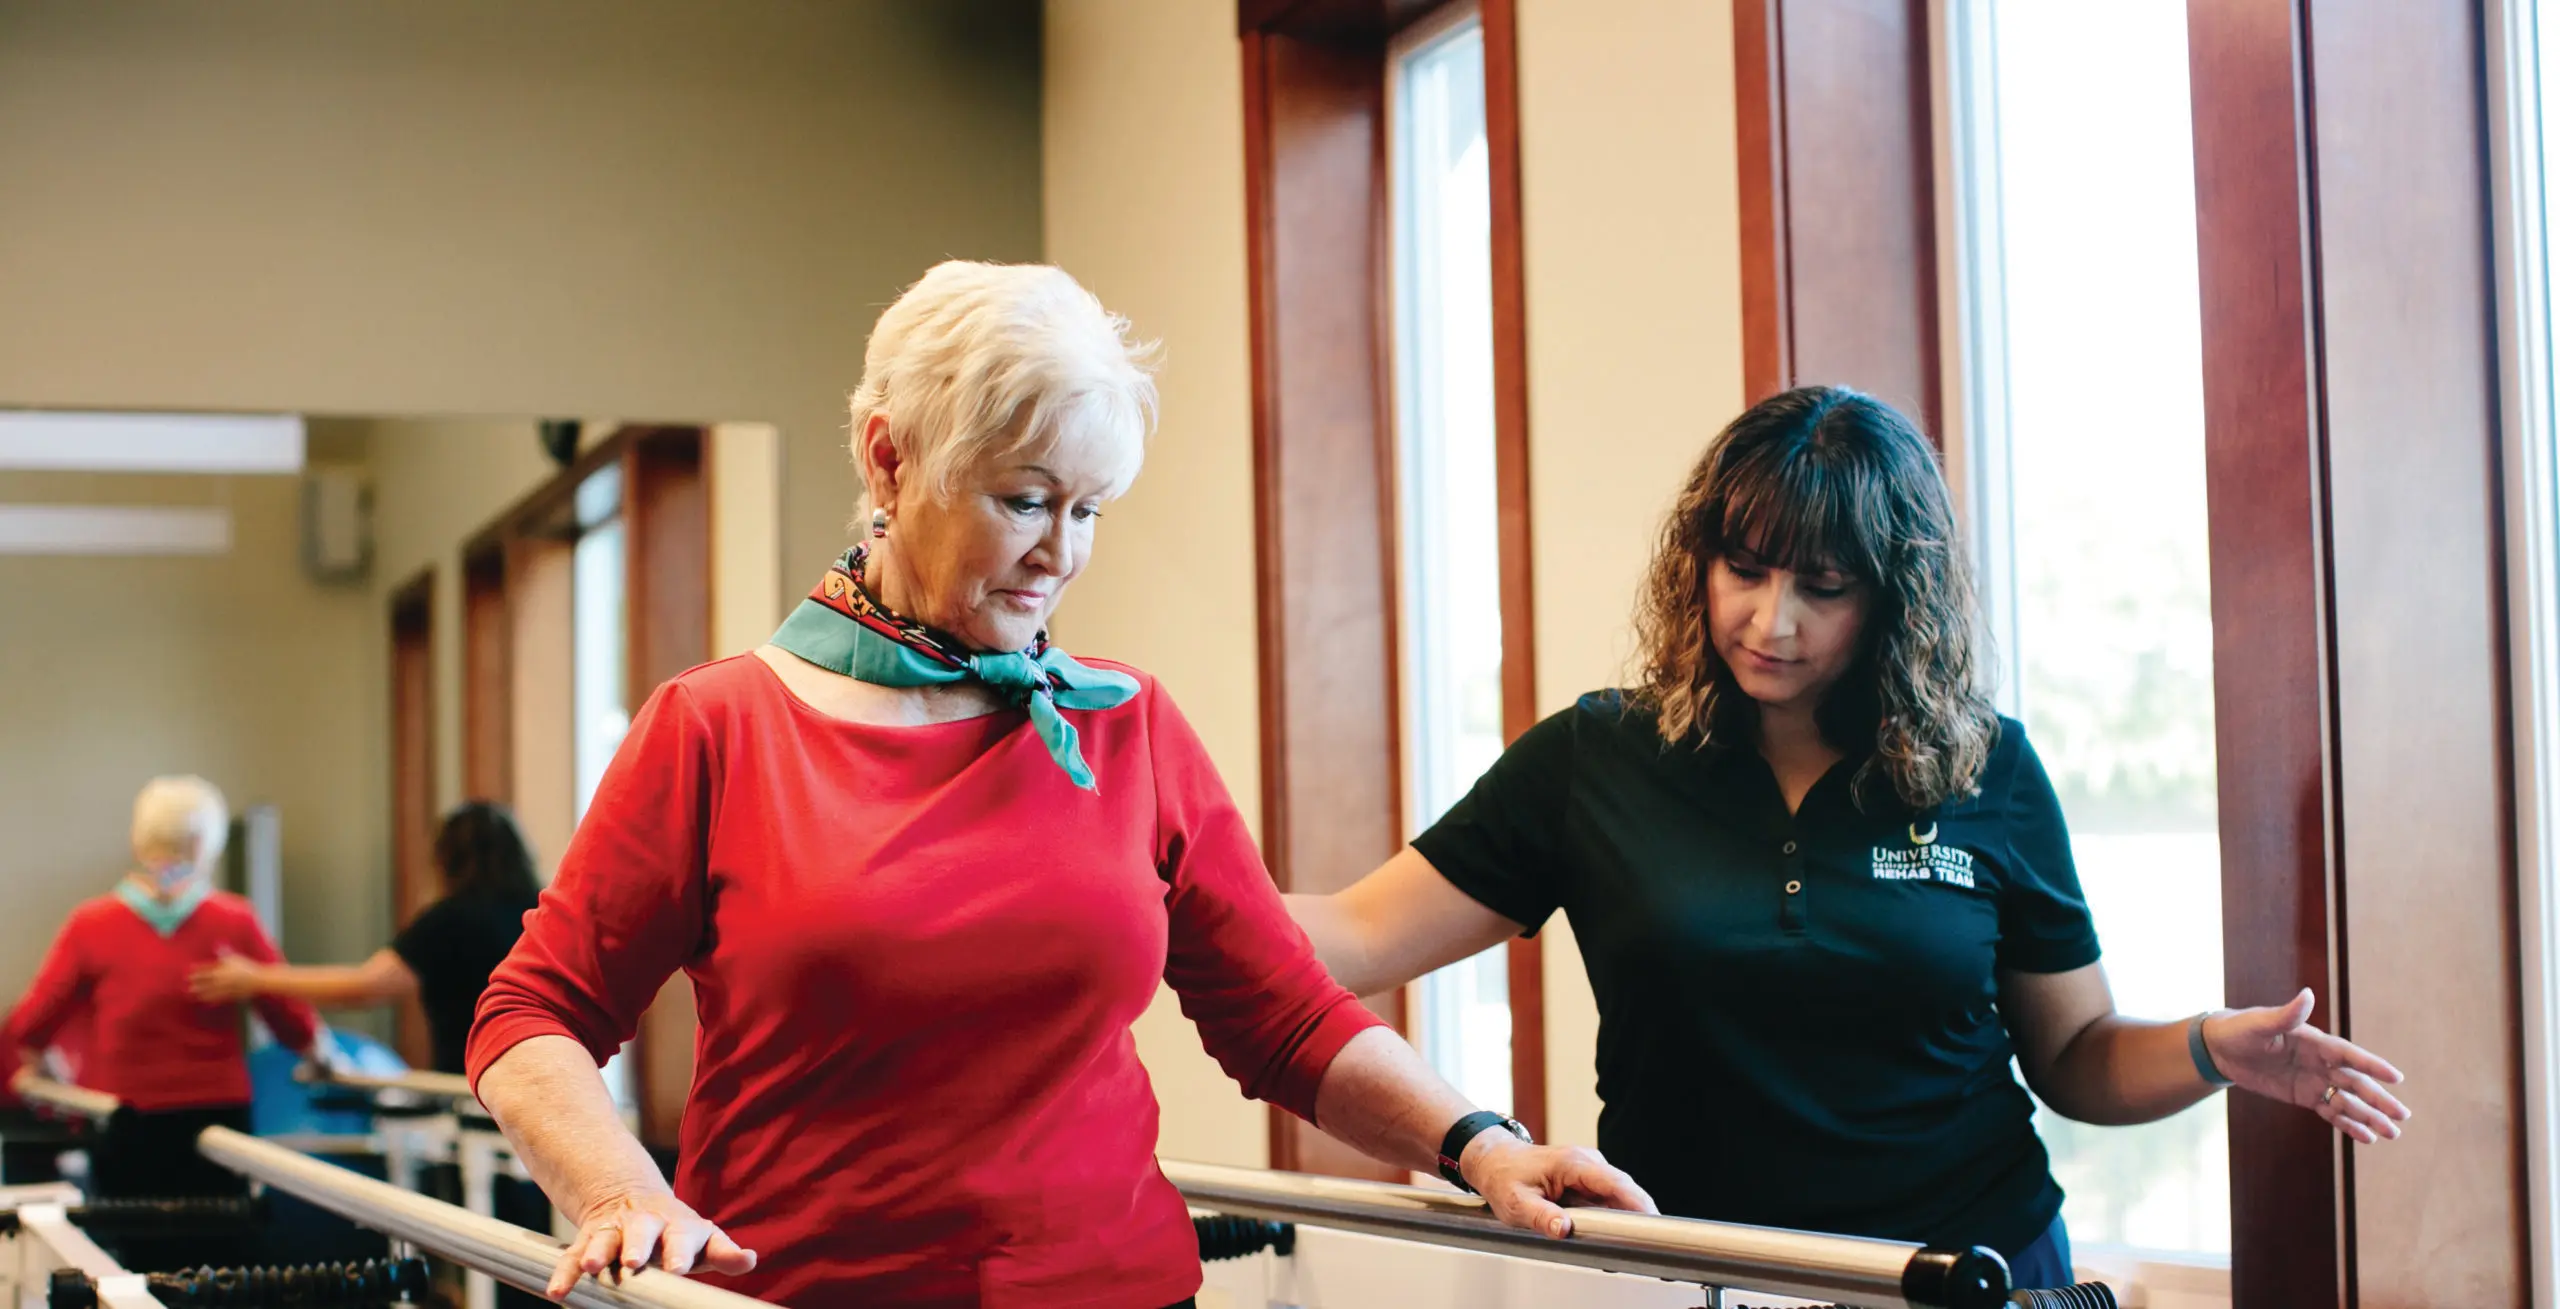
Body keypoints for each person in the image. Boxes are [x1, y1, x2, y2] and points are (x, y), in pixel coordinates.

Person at [465, 260, 1654, 1309]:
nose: (1061, 552)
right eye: (1025, 499)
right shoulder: (720, 728)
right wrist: (622, 1193)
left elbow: (1284, 1014)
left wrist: (1478, 1142)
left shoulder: (1124, 726)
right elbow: (531, 1017)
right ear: (891, 457)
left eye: (1087, 510)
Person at [1283, 386, 2414, 1290]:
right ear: (1700, 563)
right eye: (1746, 570)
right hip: (1701, 1273)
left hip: (1964, 1268)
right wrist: (1141, 869)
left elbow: (2074, 1056)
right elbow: (1346, 933)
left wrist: (2213, 1047)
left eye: (1821, 587)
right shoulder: (1597, 758)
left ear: (1891, 601)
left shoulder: (1986, 766)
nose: (1771, 621)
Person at [4, 775, 330, 1202]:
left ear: (139, 842)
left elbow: (30, 1025)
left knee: (137, 1254)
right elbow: (289, 1017)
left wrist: (44, 1071)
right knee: (216, 1256)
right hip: (215, 1123)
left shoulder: (90, 924)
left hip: (125, 1121)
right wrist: (321, 1057)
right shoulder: (233, 920)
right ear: (202, 846)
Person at [190, 801, 542, 1077]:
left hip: (474, 1090)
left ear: (445, 858)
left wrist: (255, 977)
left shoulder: (450, 919)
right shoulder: (540, 913)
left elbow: (364, 986)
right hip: (547, 1087)